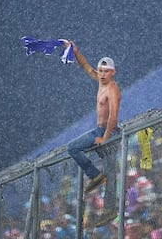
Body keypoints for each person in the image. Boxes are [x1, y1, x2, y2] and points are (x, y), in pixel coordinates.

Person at [66, 41, 121, 226]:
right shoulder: (100, 82)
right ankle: (94, 175)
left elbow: (113, 116)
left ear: (112, 72)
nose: (102, 74)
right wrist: (75, 51)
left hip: (109, 133)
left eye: (106, 71)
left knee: (111, 173)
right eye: (101, 70)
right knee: (72, 148)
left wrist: (105, 137)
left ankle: (109, 210)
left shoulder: (113, 89)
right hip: (99, 130)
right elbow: (86, 67)